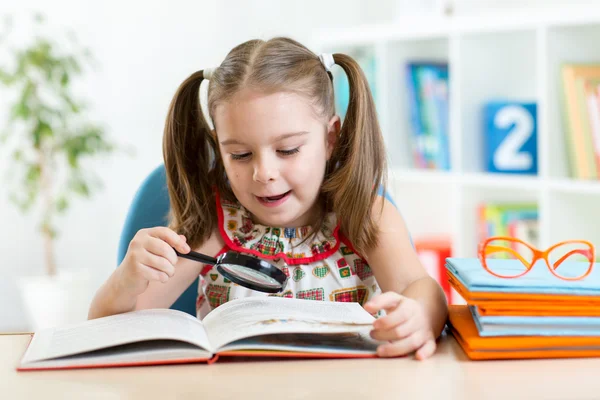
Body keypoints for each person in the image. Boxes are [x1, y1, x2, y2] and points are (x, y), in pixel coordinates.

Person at [89, 37, 448, 360]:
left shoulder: (364, 214)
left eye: (288, 150)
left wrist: (420, 316)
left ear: (330, 138)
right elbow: (106, 331)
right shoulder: (215, 223)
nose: (264, 173)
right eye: (241, 155)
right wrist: (125, 279)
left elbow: (420, 289)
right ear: (219, 147)